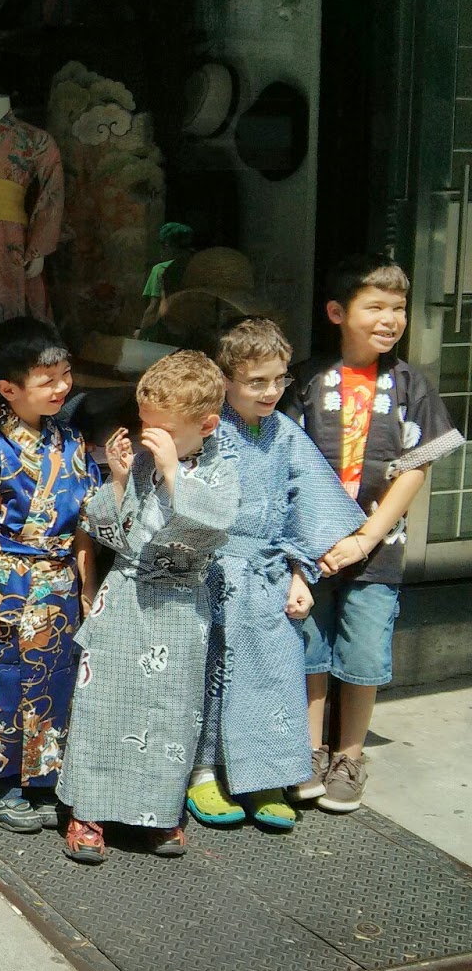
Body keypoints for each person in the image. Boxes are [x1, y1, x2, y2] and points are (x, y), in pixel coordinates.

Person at [283, 255, 465, 812]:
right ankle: (308, 749)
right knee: (309, 647)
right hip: (311, 547)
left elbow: (417, 466)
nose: (391, 319)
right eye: (376, 307)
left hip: (378, 548)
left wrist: (365, 537)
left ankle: (349, 756)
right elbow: (285, 463)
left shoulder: (411, 384)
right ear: (338, 313)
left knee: (363, 652)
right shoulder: (307, 381)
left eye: (399, 308)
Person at [58, 351, 240, 865]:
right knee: (103, 704)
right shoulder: (141, 463)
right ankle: (88, 811)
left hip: (180, 605)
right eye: (146, 425)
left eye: (164, 430)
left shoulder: (221, 469)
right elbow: (108, 532)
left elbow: (215, 526)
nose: (150, 437)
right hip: (127, 596)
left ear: (206, 425)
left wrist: (173, 472)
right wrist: (119, 479)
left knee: (172, 711)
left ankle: (158, 812)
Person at [187, 319, 365, 831]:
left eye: (279, 379)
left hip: (268, 575)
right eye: (256, 381)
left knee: (273, 673)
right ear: (225, 380)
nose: (271, 391)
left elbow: (306, 507)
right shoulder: (204, 430)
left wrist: (300, 575)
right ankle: (203, 772)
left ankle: (266, 776)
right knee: (209, 674)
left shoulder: (287, 433)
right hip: (208, 571)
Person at [0, 317, 100, 833]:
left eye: (65, 375)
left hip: (60, 584)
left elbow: (86, 524)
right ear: (8, 389)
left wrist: (87, 585)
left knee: (57, 678)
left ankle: (44, 779)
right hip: (4, 586)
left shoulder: (72, 442)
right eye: (46, 380)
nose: (61, 387)